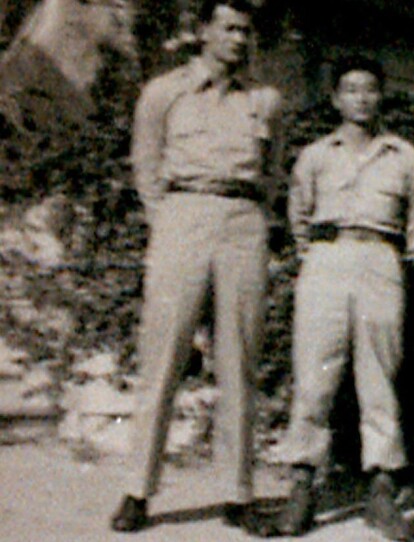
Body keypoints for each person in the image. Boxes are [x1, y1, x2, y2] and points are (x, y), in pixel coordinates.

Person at [110, 0, 282, 533]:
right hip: (182, 216)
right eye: (228, 28)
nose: (238, 39)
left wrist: (252, 216)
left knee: (239, 359)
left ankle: (237, 494)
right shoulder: (165, 92)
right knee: (163, 355)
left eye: (246, 31)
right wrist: (169, 221)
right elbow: (145, 161)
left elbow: (273, 172)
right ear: (203, 31)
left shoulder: (265, 100)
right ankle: (138, 490)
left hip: (242, 221)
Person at [271, 55, 414, 540]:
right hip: (328, 259)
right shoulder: (315, 155)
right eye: (351, 89)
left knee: (379, 378)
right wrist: (315, 254)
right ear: (336, 98)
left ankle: (381, 487)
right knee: (316, 374)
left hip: (381, 259)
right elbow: (298, 216)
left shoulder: (404, 156)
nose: (361, 98)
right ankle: (302, 484)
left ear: (382, 96)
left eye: (370, 89)